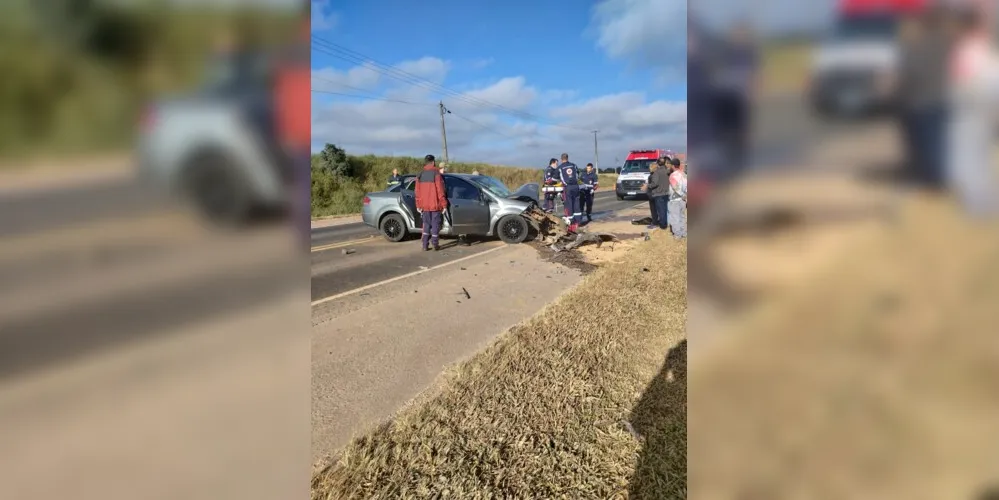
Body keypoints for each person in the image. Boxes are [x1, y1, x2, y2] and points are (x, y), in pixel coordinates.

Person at [947, 4, 999, 217]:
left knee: (971, 157)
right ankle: (984, 202)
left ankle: (979, 204)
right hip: (984, 105)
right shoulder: (985, 49)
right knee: (982, 157)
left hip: (973, 107)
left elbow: (963, 80)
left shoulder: (968, 49)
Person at [895, 7, 950, 189]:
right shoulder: (948, 45)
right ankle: (935, 178)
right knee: (937, 142)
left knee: (923, 144)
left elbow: (908, 73)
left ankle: (929, 180)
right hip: (941, 100)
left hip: (918, 101)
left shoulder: (916, 46)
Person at [272, 6, 310, 250]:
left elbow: (282, 97)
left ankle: (300, 236)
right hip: (302, 131)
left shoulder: (288, 52)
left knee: (298, 188)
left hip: (295, 133)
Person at [415, 154, 448, 251]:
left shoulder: (420, 174)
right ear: (433, 162)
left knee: (426, 225)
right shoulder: (436, 173)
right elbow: (440, 190)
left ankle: (425, 245)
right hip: (435, 205)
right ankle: (435, 244)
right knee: (435, 225)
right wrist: (444, 204)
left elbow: (417, 191)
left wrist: (418, 205)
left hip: (424, 205)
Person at [557, 153, 582, 232]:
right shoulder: (573, 165)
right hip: (576, 186)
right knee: (577, 203)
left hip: (568, 187)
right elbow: (578, 174)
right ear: (567, 158)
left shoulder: (560, 167)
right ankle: (578, 222)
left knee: (569, 204)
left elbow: (555, 178)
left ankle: (571, 223)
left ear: (561, 159)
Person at [644, 158, 670, 231]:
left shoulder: (656, 172)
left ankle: (663, 226)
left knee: (660, 210)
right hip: (666, 193)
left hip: (659, 194)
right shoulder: (667, 171)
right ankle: (665, 224)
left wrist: (647, 185)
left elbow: (654, 184)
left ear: (658, 163)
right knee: (664, 210)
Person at [668, 157, 687, 238]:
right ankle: (683, 233)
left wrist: (682, 195)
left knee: (675, 218)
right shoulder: (684, 174)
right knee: (682, 217)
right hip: (683, 200)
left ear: (673, 166)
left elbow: (676, 187)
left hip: (675, 199)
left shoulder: (673, 175)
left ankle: (677, 235)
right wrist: (685, 196)